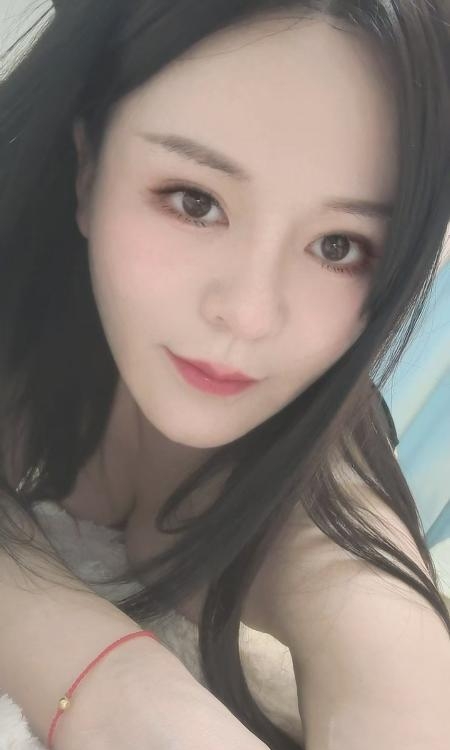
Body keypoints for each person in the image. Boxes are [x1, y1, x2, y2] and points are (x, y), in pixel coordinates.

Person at [0, 1, 449, 748]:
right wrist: (108, 676)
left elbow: (393, 660)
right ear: (87, 170)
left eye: (338, 246)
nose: (248, 314)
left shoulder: (326, 503)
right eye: (195, 201)